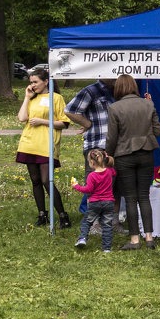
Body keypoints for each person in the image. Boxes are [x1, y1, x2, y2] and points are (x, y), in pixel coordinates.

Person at [105, 74, 160, 251]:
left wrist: (108, 155)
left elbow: (112, 137)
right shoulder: (148, 103)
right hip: (146, 153)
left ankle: (135, 240)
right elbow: (157, 131)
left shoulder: (114, 108)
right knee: (144, 196)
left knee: (130, 198)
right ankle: (149, 238)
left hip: (124, 155)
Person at [16, 67, 72, 228]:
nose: (33, 85)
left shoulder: (56, 98)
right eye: (31, 82)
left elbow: (64, 123)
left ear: (46, 81)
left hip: (46, 144)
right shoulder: (32, 98)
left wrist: (43, 122)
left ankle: (62, 215)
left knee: (47, 180)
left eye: (35, 82)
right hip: (29, 143)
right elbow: (22, 118)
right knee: (35, 181)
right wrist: (27, 97)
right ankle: (42, 214)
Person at [65, 77, 117, 219]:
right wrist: (87, 124)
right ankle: (93, 222)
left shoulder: (118, 90)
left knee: (113, 185)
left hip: (114, 145)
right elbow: (70, 110)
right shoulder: (91, 91)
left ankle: (112, 221)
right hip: (96, 144)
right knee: (94, 185)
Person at [71, 149, 116, 252]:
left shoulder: (92, 176)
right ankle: (106, 248)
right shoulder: (109, 171)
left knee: (87, 222)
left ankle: (82, 238)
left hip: (95, 203)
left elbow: (88, 190)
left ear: (92, 162)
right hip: (109, 202)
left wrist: (76, 186)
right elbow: (114, 172)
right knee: (107, 225)